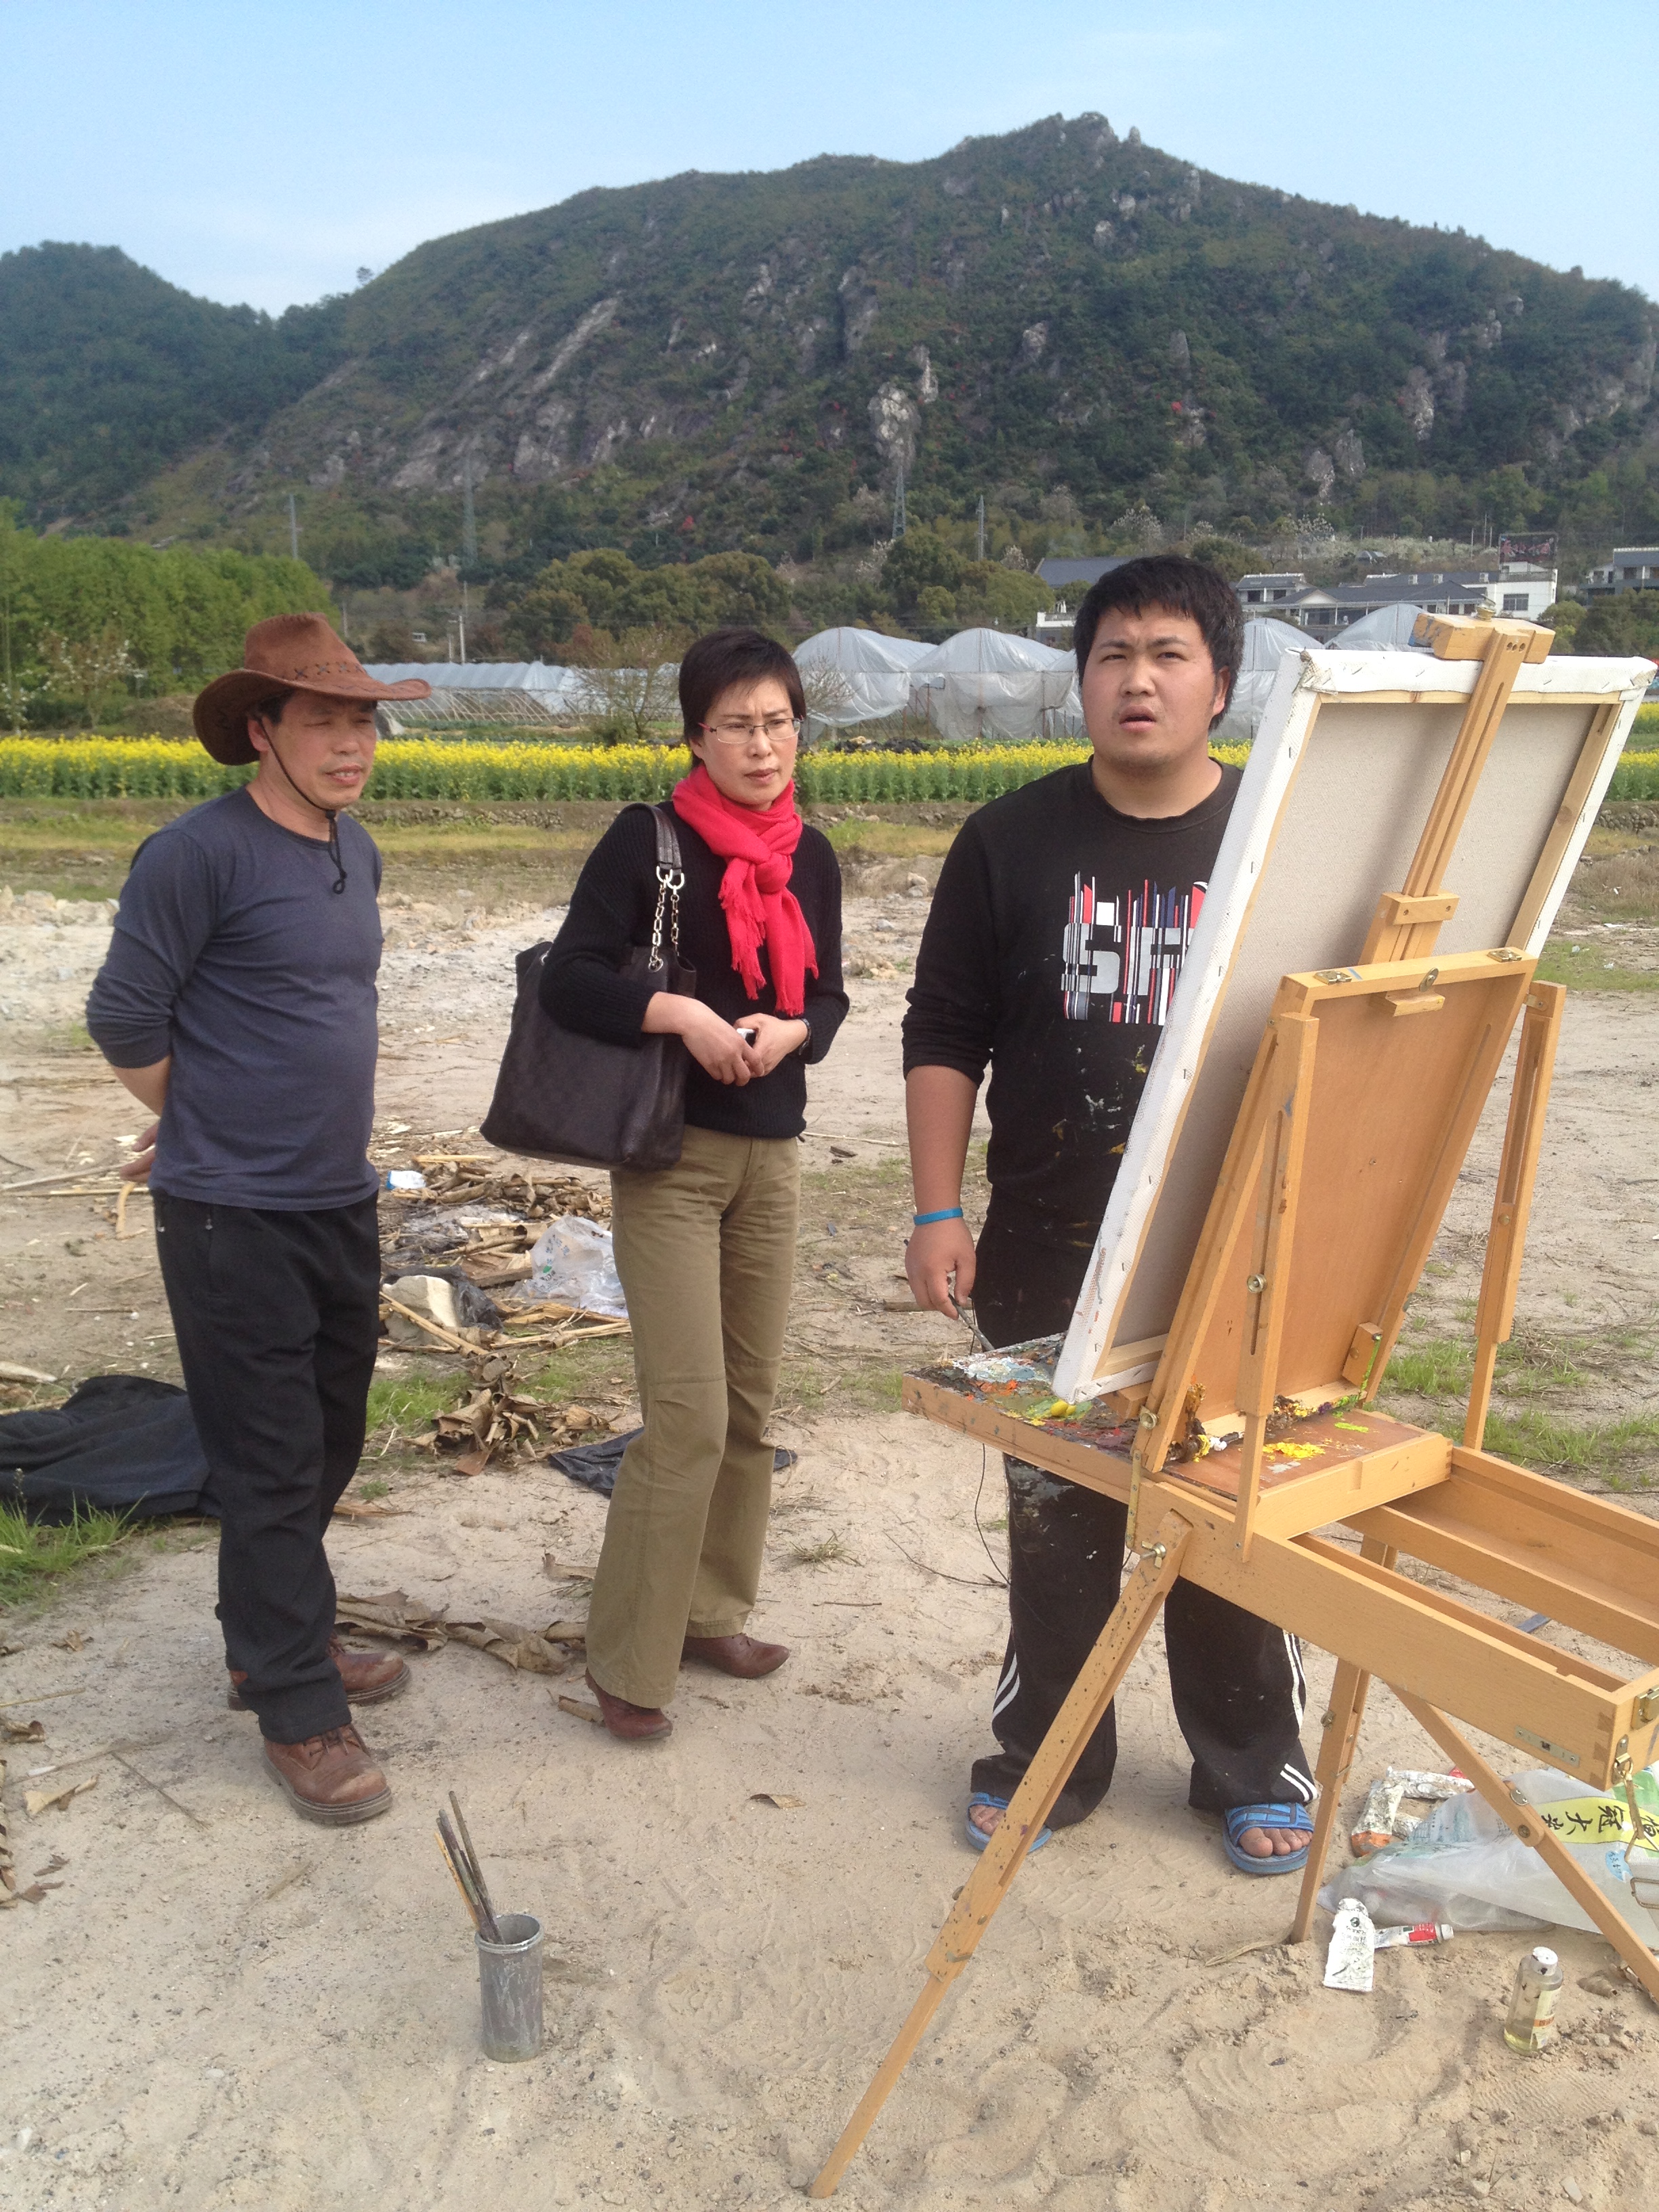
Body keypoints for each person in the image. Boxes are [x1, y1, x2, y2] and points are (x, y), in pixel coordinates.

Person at [902, 555, 1317, 1871]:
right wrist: (934, 1208)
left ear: (1221, 683)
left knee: (1224, 1512)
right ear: (1081, 681)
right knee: (1058, 1516)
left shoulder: (1277, 838)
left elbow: (1345, 1037)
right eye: (1112, 655)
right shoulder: (1008, 842)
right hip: (1046, 1245)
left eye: (1168, 654)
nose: (1138, 680)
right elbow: (943, 1032)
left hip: (1234, 1252)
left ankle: (1250, 1760)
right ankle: (1048, 1757)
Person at [85, 614, 432, 1825]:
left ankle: (267, 1634)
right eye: (323, 721)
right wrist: (201, 1122)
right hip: (230, 1214)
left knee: (330, 1436)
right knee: (271, 1458)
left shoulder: (356, 851)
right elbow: (125, 1016)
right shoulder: (196, 856)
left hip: (338, 1196)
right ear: (261, 730)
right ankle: (297, 1709)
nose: (352, 744)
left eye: (363, 721)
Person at [542, 627, 846, 1743]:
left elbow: (831, 997)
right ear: (695, 737)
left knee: (751, 1409)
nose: (762, 746)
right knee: (689, 1416)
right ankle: (628, 1659)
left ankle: (713, 1611)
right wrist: (684, 1015)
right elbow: (570, 979)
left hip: (773, 1156)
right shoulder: (649, 841)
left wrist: (791, 1031)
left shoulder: (811, 854)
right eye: (737, 726)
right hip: (670, 1162)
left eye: (779, 722)